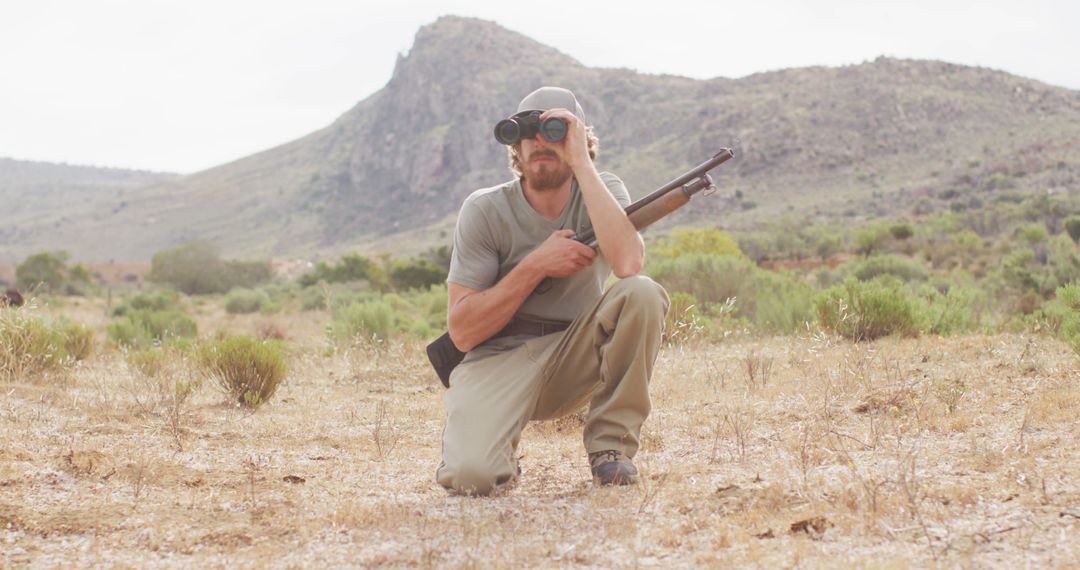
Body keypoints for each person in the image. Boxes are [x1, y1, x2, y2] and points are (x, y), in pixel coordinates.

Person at [437, 86, 669, 496]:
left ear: (579, 137)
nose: (540, 141)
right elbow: (462, 332)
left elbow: (629, 265)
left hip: (573, 355)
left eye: (556, 130)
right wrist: (536, 264)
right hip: (498, 358)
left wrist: (581, 162)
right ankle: (497, 451)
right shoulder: (484, 209)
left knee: (643, 293)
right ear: (515, 147)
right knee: (472, 478)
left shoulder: (603, 191)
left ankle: (610, 449)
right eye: (528, 131)